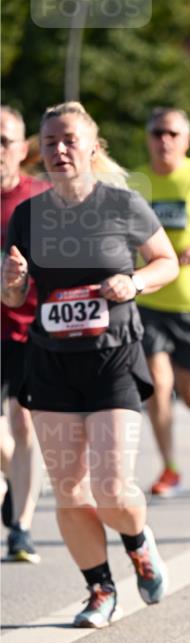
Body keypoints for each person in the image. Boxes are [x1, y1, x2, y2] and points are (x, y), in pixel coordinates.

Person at [1, 101, 179, 628]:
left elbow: (166, 262)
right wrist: (12, 282)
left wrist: (135, 282)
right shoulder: (27, 215)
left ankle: (138, 541)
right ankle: (100, 590)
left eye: (69, 140)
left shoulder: (122, 203)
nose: (59, 149)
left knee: (112, 487)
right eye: (50, 141)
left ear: (92, 147)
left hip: (113, 358)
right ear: (40, 150)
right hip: (51, 361)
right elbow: (14, 298)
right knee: (69, 489)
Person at [131, 107, 190, 496]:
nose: (164, 140)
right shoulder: (137, 181)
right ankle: (169, 467)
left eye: (172, 133)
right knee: (157, 384)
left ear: (186, 140)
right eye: (158, 133)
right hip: (150, 298)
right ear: (148, 138)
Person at [1, 106, 50, 562]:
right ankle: (13, 480)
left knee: (23, 423)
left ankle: (21, 527)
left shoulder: (40, 198)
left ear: (21, 149)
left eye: (4, 141)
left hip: (27, 329)